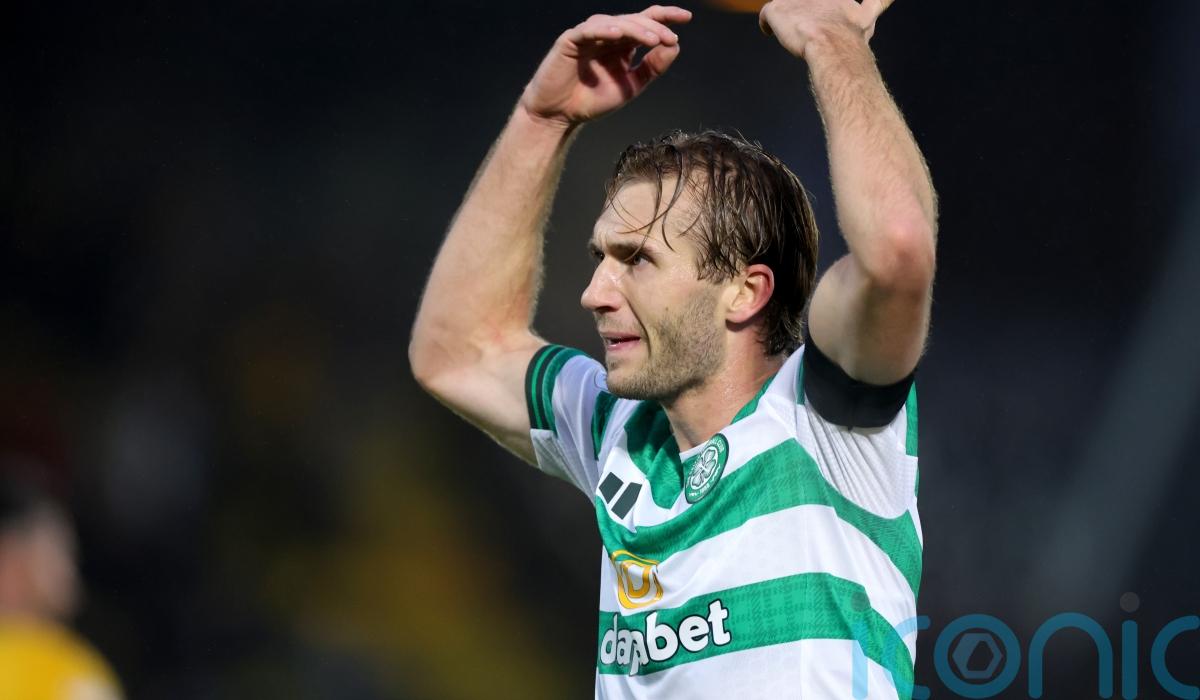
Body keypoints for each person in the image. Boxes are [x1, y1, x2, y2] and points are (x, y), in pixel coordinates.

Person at [410, 0, 936, 696]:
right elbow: (457, 350)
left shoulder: (828, 420)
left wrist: (831, 39)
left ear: (745, 292)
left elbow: (897, 251)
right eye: (601, 258)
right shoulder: (619, 433)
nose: (594, 293)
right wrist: (544, 122)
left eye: (637, 260)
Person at [0, 476, 123, 700]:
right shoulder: (69, 673)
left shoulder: (69, 665)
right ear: (10, 555)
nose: (69, 569)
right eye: (56, 551)